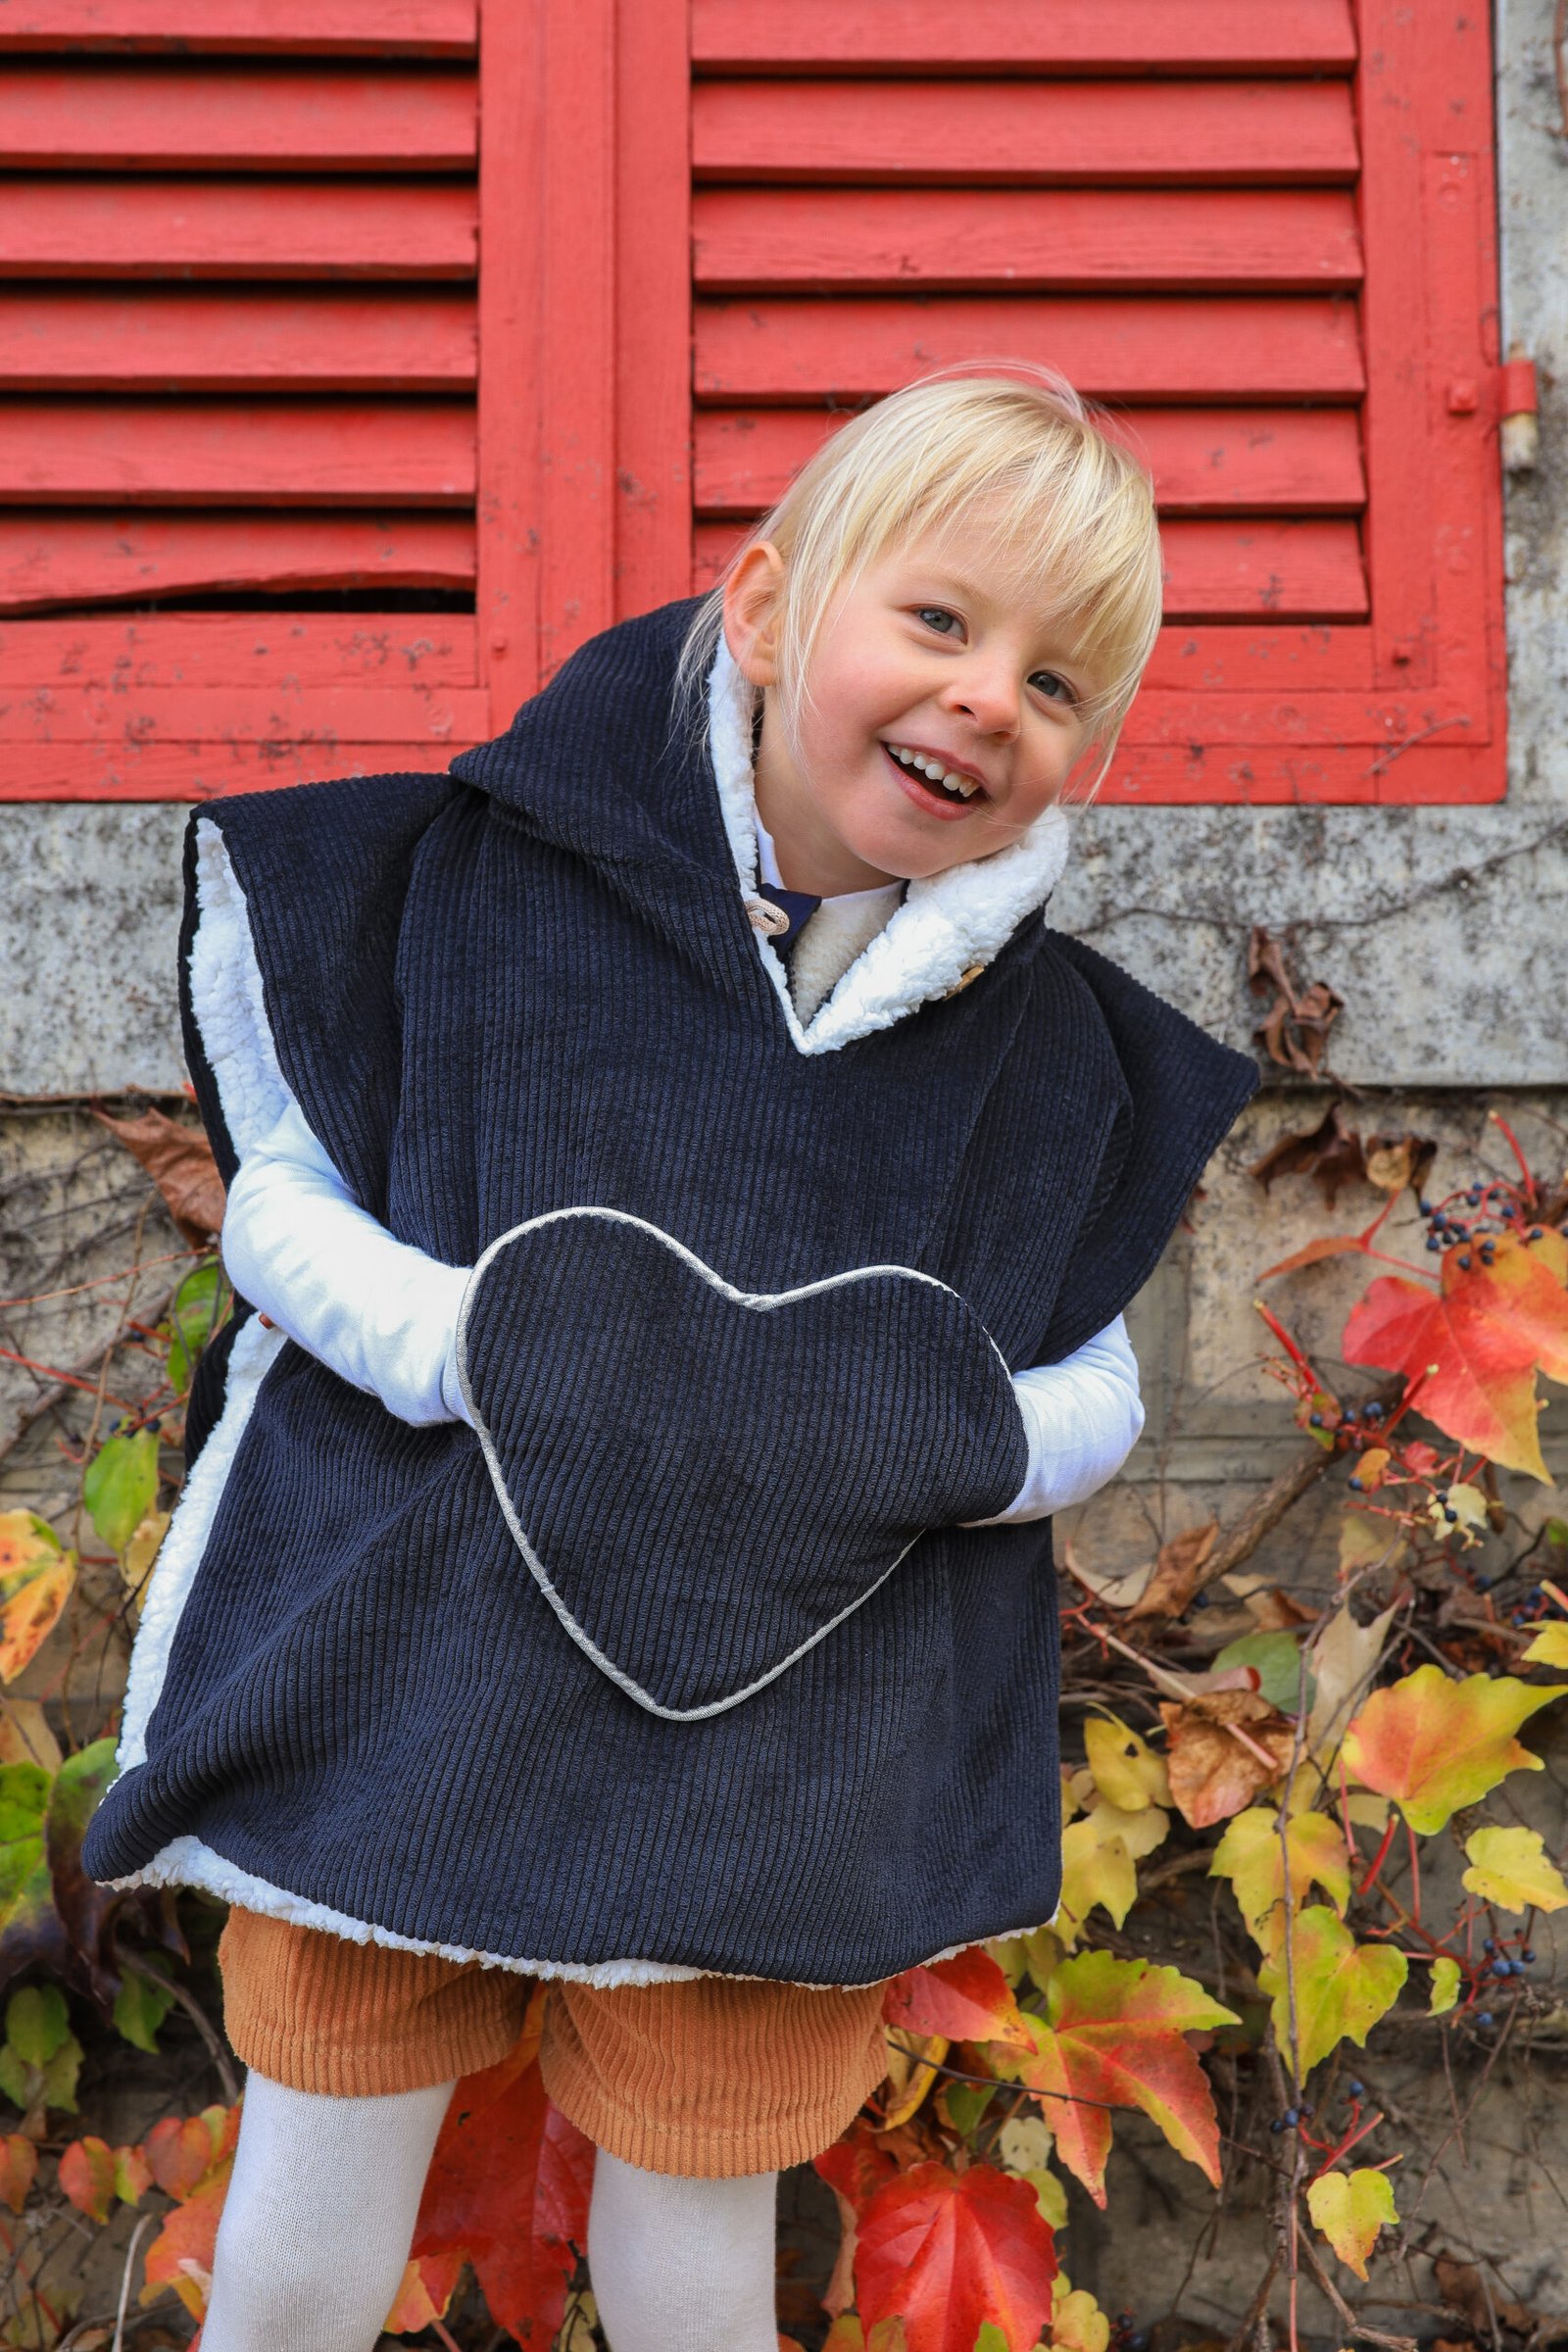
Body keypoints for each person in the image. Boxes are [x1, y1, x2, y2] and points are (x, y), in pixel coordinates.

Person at [84, 369, 1257, 2351]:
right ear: (769, 602)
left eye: (1058, 685)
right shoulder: (459, 889)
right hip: (427, 1648)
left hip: (781, 1708)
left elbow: (1092, 1384)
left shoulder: (1045, 1058)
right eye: (941, 622)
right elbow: (284, 1208)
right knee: (320, 2160)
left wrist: (952, 1434)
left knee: (697, 2209)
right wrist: (476, 1339)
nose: (988, 697)